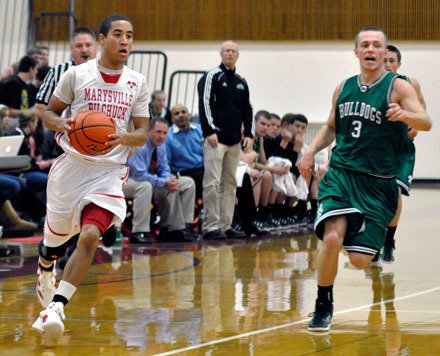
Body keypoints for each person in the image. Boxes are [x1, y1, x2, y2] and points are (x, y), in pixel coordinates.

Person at [299, 26, 431, 332]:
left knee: (359, 260)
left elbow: (426, 121)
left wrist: (406, 115)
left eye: (377, 45)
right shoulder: (343, 87)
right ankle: (323, 304)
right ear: (357, 52)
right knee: (331, 239)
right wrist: (310, 151)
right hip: (342, 174)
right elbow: (332, 126)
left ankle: (363, 233)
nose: (371, 50)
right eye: (365, 45)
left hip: (378, 182)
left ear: (385, 54)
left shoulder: (399, 87)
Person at [32, 14, 150, 338]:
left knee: (88, 236)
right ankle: (45, 266)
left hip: (109, 172)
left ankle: (56, 306)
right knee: (53, 243)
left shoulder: (137, 81)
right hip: (71, 166)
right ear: (101, 39)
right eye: (117, 34)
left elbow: (142, 132)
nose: (125, 41)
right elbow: (49, 113)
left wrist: (125, 138)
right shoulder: (77, 75)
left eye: (130, 35)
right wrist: (63, 124)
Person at [197, 40, 253, 240]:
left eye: (233, 51)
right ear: (221, 54)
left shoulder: (241, 81)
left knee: (230, 183)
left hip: (234, 141)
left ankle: (226, 225)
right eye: (227, 50)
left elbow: (248, 109)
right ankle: (211, 226)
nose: (230, 54)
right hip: (215, 139)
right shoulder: (211, 76)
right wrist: (209, 130)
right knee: (211, 182)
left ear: (237, 55)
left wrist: (249, 134)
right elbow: (204, 104)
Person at [378, 44, 427, 263]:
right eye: (384, 60)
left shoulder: (409, 84)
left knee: (394, 191)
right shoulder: (372, 85)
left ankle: (389, 240)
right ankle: (376, 237)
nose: (387, 65)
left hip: (400, 149)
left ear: (398, 64)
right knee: (376, 196)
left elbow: (421, 111)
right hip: (378, 148)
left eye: (391, 61)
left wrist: (414, 125)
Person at [126, 117, 199, 243]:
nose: (162, 136)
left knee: (187, 183)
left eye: (165, 133)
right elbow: (140, 175)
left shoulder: (160, 146)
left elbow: (164, 169)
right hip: (129, 180)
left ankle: (181, 228)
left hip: (151, 181)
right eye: (158, 132)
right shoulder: (140, 145)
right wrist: (164, 182)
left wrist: (169, 179)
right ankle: (139, 232)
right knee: (145, 187)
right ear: (149, 131)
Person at [35, 27, 98, 119]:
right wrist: (60, 123)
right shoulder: (57, 71)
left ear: (96, 47)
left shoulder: (106, 71)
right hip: (64, 130)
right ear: (72, 50)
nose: (84, 50)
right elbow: (40, 107)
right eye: (79, 46)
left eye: (88, 45)